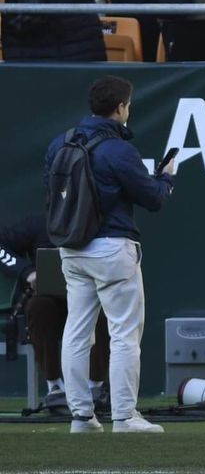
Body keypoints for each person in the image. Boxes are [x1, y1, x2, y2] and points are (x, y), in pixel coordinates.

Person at [44, 75, 175, 434]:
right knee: (123, 335)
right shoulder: (119, 150)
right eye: (128, 105)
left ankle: (81, 418)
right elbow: (153, 198)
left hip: (71, 249)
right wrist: (166, 178)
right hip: (112, 247)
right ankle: (124, 417)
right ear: (120, 108)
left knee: (76, 332)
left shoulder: (60, 143)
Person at [0, 213, 111, 414]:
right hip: (50, 298)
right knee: (37, 307)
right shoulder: (38, 222)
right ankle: (55, 387)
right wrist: (27, 272)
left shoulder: (98, 223)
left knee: (103, 310)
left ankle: (94, 387)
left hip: (89, 297)